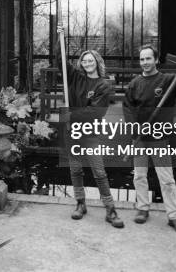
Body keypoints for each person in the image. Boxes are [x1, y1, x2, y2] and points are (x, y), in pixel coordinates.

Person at [123, 44, 176, 235]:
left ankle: (174, 216)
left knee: (166, 179)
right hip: (140, 138)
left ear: (156, 60)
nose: (145, 62)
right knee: (139, 176)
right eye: (142, 59)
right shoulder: (134, 84)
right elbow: (127, 109)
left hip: (159, 138)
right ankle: (143, 208)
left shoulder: (168, 81)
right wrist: (135, 129)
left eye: (148, 58)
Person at [56, 26, 124, 228]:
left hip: (90, 132)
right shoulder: (75, 77)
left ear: (97, 62)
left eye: (90, 60)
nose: (87, 63)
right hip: (72, 131)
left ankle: (110, 209)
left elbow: (97, 112)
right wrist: (59, 36)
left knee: (99, 171)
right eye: (84, 61)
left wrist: (72, 114)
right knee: (75, 169)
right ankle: (80, 203)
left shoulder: (104, 85)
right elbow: (60, 61)